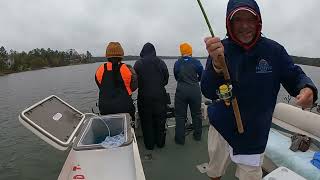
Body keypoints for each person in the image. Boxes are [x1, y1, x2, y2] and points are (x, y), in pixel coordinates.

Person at [200, 0, 318, 179]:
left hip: (255, 133)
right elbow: (208, 91)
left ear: (258, 21)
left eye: (250, 19)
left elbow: (295, 76)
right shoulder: (219, 50)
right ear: (229, 23)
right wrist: (216, 65)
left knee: (250, 176)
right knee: (215, 170)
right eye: (238, 19)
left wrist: (307, 88)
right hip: (221, 126)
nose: (245, 25)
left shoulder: (274, 51)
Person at [134, 42, 169, 154]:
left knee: (146, 121)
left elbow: (135, 82)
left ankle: (149, 145)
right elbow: (166, 79)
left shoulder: (138, 64)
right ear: (154, 51)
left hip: (144, 98)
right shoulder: (161, 62)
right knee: (160, 120)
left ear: (143, 52)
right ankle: (160, 143)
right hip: (159, 96)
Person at [95, 42, 137, 121]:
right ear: (121, 56)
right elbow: (133, 87)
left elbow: (100, 86)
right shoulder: (128, 69)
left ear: (107, 56)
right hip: (125, 109)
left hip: (105, 109)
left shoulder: (100, 70)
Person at [174, 42, 204, 144]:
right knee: (197, 114)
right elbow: (202, 74)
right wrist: (196, 80)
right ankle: (197, 136)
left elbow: (176, 76)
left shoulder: (177, 63)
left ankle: (180, 139)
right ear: (190, 52)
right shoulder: (196, 62)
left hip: (181, 91)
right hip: (194, 90)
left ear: (181, 52)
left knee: (180, 116)